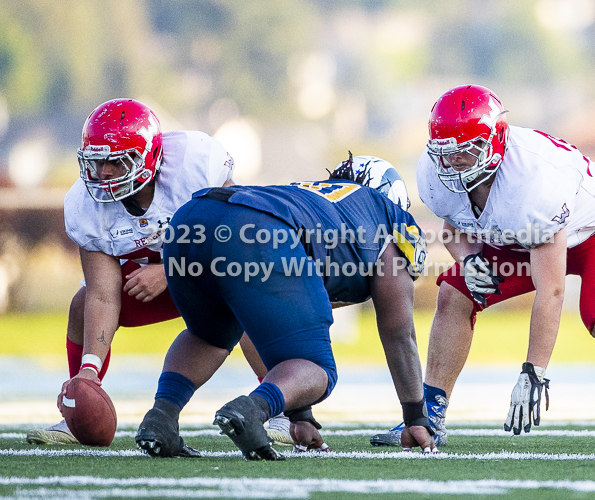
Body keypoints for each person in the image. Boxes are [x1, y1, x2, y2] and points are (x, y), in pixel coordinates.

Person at [371, 84, 595, 448]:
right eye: (446, 153)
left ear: (495, 141)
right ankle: (429, 416)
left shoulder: (532, 180)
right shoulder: (435, 172)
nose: (455, 162)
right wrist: (469, 260)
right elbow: (453, 229)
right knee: (455, 292)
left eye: (467, 151)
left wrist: (533, 371)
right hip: (527, 234)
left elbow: (552, 291)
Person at [26, 98, 291, 449]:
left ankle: (285, 413)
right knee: (80, 304)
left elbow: (234, 239)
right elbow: (103, 294)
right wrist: (89, 370)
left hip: (217, 271)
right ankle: (81, 404)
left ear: (148, 156)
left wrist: (170, 270)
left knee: (244, 298)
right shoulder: (85, 205)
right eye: (97, 161)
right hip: (153, 284)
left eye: (114, 161)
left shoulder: (193, 163)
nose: (103, 173)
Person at [134, 154, 437, 460]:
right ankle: (251, 410)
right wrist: (415, 417)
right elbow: (399, 332)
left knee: (209, 335)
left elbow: (269, 325)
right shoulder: (386, 216)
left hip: (192, 218)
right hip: (255, 231)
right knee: (320, 370)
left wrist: (300, 415)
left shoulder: (307, 196)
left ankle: (162, 417)